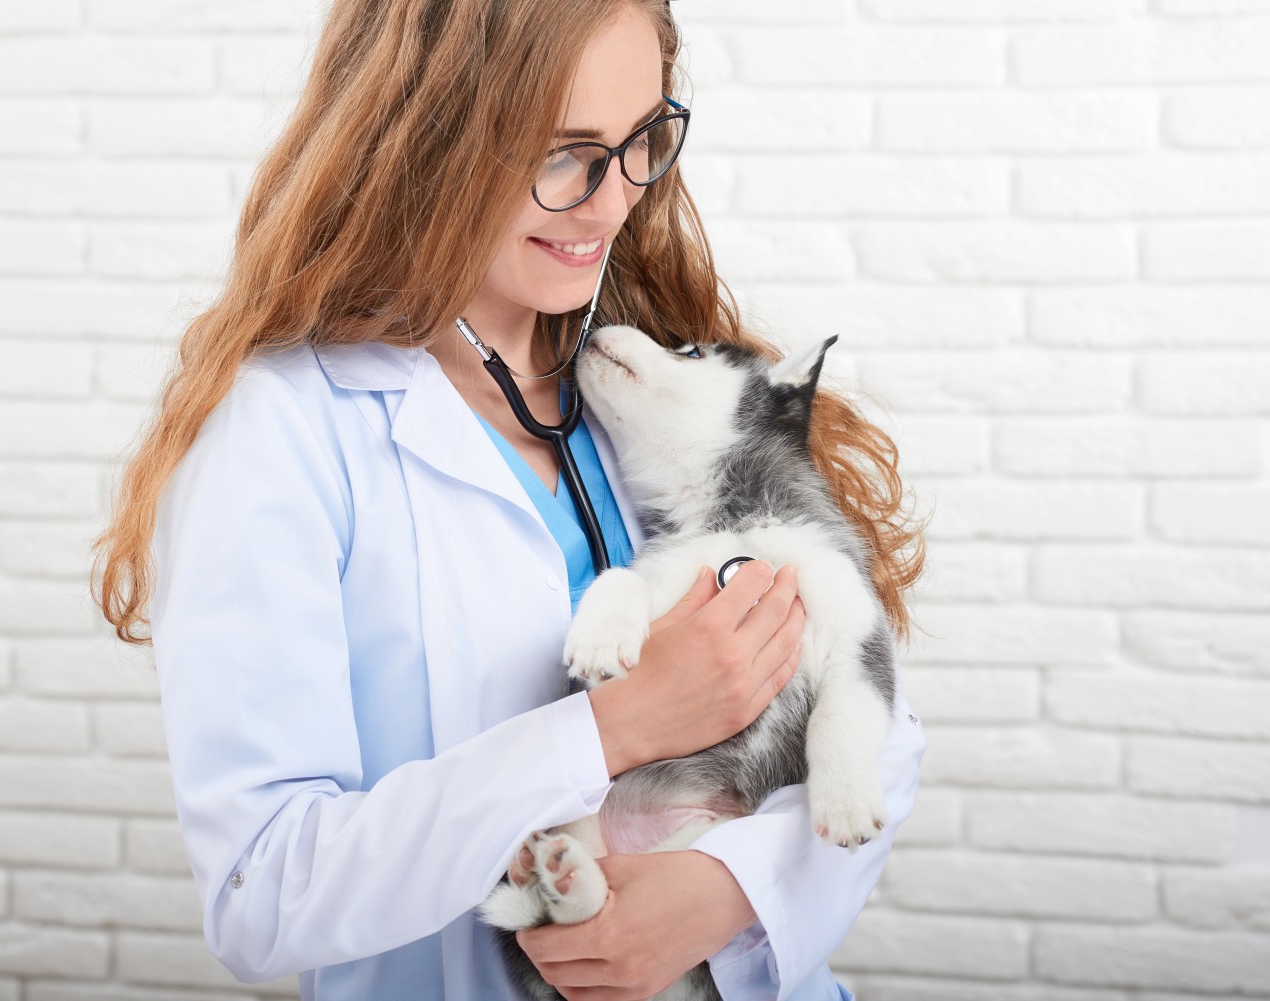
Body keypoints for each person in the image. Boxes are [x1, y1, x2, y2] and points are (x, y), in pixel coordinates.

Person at [90, 1, 930, 998]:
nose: (612, 202)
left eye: (640, 143)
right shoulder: (285, 429)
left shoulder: (646, 383)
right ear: (428, 137)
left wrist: (728, 889)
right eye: (564, 153)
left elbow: (874, 713)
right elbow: (262, 890)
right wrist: (615, 726)